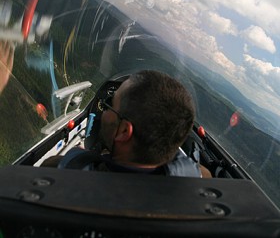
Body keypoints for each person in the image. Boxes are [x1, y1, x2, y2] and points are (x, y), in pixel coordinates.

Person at [43, 70, 205, 177]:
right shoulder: (190, 175)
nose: (104, 111)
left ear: (124, 131)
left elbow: (50, 165)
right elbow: (202, 173)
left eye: (109, 104)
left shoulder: (71, 168)